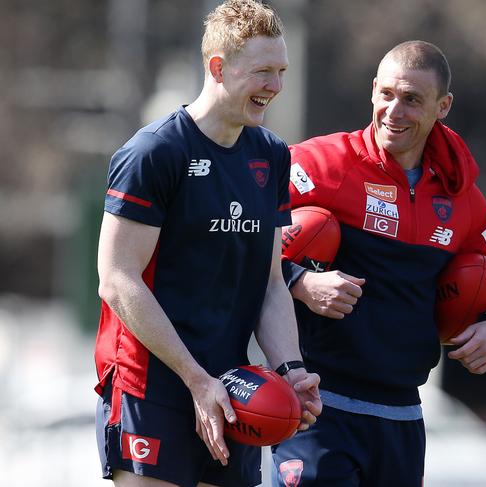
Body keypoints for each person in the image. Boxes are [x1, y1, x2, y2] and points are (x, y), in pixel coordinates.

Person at [272, 41, 486, 486]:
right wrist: (299, 282)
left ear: (442, 106)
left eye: (412, 100)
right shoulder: (321, 164)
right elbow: (239, 236)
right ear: (373, 90)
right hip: (315, 406)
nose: (394, 110)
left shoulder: (460, 197)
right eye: (387, 94)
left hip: (403, 417)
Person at [93, 1, 322, 486]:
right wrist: (196, 378)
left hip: (234, 391)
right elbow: (117, 279)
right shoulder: (154, 152)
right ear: (218, 67)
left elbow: (272, 285)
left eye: (281, 71)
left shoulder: (271, 156)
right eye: (263, 71)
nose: (275, 87)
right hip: (150, 388)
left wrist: (292, 371)